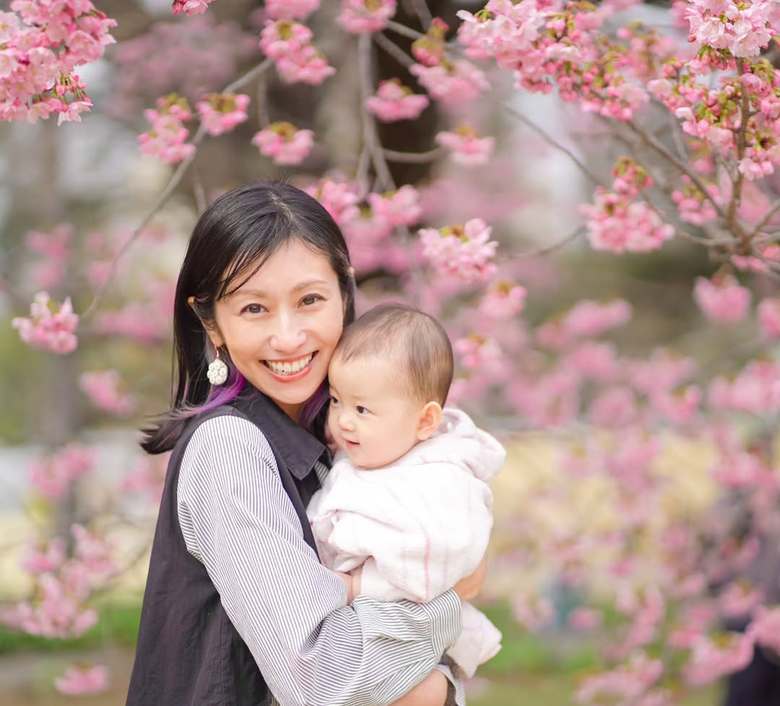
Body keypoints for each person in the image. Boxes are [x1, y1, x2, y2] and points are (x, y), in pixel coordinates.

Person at [125, 182, 485, 706]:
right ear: (211, 323)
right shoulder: (230, 448)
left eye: (310, 300)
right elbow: (318, 677)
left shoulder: (345, 443)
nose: (288, 337)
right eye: (254, 309)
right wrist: (445, 594)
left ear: (345, 294)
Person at [307, 304, 504, 694]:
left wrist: (358, 587)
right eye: (336, 400)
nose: (344, 420)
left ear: (426, 421)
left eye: (362, 408)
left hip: (406, 647)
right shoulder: (371, 451)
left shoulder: (440, 479)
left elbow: (435, 560)